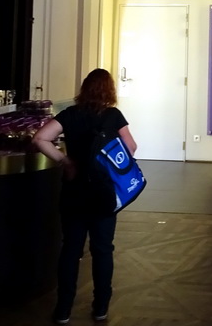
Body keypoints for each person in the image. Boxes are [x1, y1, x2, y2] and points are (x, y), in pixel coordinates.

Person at [33, 68, 137, 324]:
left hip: (74, 191)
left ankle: (64, 309)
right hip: (104, 193)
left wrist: (65, 160)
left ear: (85, 89)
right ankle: (101, 306)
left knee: (70, 250)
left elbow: (40, 139)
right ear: (109, 90)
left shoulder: (70, 114)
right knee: (103, 250)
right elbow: (131, 147)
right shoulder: (113, 116)